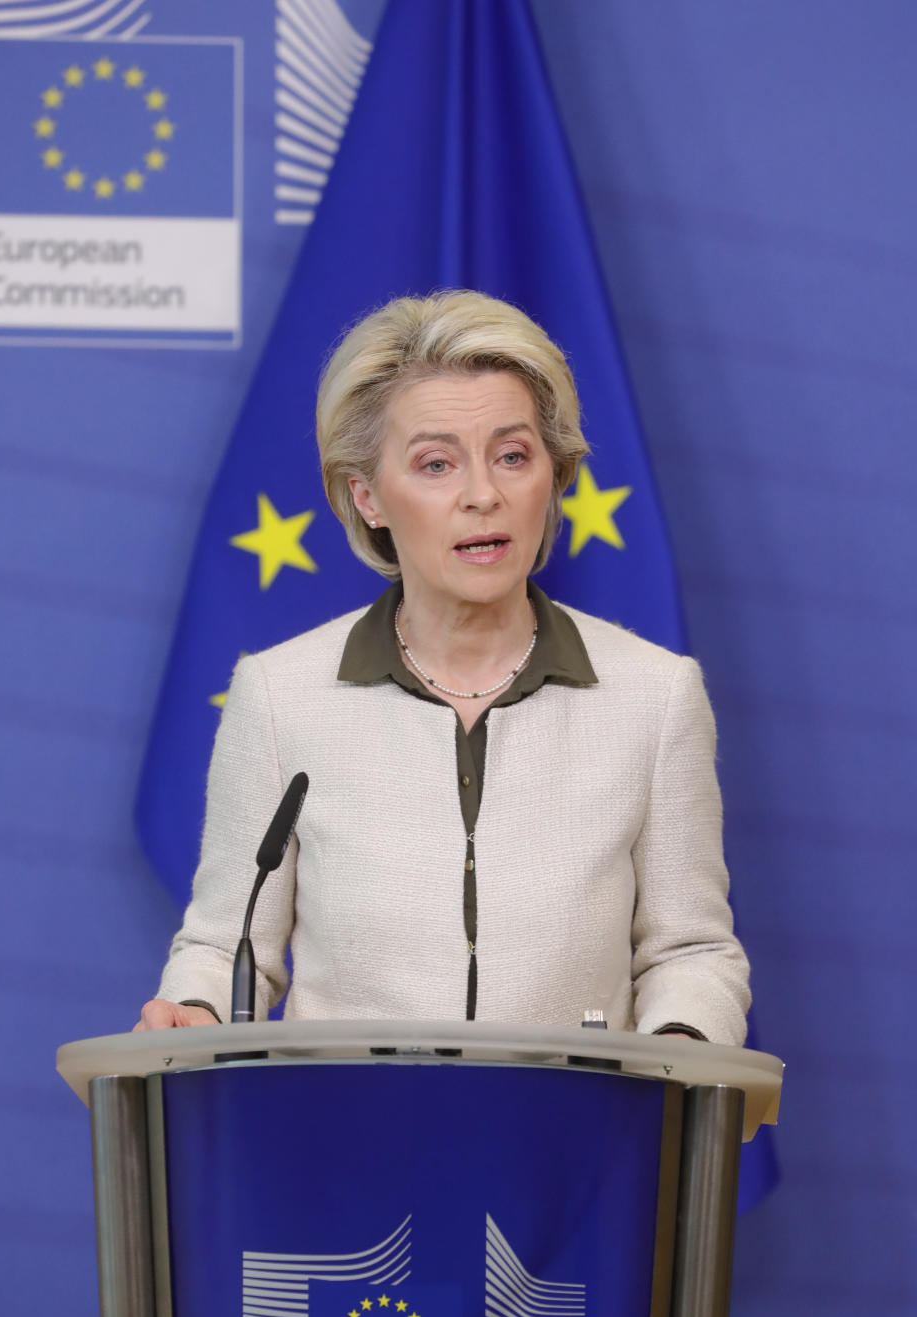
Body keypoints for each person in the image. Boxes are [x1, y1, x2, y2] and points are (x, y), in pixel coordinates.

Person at [136, 290, 750, 1044]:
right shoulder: (278, 697)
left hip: (574, 1146)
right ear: (368, 497)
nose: (483, 495)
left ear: (551, 478)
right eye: (436, 463)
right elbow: (226, 951)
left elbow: (690, 950)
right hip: (347, 1141)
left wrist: (678, 1051)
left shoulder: (654, 697)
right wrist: (191, 1012)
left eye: (513, 456)